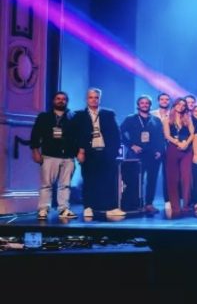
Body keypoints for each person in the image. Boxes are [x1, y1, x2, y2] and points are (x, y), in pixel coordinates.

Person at [74, 87, 125, 219]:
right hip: (88, 153)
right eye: (91, 97)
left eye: (96, 97)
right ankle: (88, 207)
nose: (93, 100)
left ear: (99, 99)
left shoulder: (108, 114)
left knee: (108, 181)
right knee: (89, 181)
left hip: (106, 152)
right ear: (87, 99)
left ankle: (111, 208)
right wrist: (79, 151)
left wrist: (113, 152)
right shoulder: (79, 115)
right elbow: (76, 135)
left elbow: (116, 134)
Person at [30, 91, 78, 220]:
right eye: (58, 98)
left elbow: (77, 137)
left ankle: (64, 209)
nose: (61, 101)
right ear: (53, 101)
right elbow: (35, 134)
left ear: (67, 102)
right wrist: (35, 151)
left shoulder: (73, 117)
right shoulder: (44, 117)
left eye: (64, 99)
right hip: (49, 155)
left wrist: (78, 152)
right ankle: (43, 209)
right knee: (46, 185)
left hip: (68, 156)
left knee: (65, 185)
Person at [120, 95, 165, 214]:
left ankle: (149, 204)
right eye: (142, 103)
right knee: (136, 180)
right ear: (138, 105)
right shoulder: (131, 119)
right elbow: (119, 133)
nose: (145, 105)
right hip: (136, 155)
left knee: (152, 180)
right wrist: (131, 145)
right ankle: (137, 204)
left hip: (152, 155)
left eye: (147, 103)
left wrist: (159, 151)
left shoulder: (156, 120)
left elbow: (160, 137)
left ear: (150, 105)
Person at [162, 97, 194, 219]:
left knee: (186, 178)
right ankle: (175, 207)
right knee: (172, 179)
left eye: (183, 105)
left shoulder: (187, 118)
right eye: (179, 104)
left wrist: (186, 143)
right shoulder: (167, 119)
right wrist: (177, 142)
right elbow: (167, 135)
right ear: (174, 105)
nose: (181, 106)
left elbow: (193, 133)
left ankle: (186, 206)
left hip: (186, 150)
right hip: (173, 149)